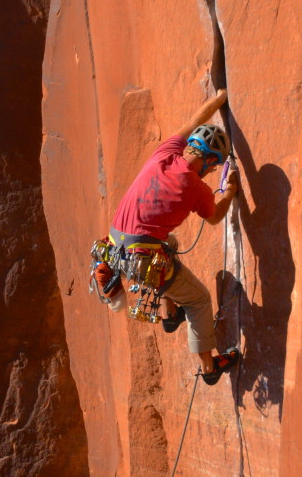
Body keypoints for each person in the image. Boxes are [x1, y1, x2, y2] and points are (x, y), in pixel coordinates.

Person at [103, 88, 240, 384]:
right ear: (209, 162)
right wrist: (229, 191)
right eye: (213, 166)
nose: (211, 171)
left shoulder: (163, 155)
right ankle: (209, 367)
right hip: (142, 259)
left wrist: (218, 98)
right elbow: (215, 217)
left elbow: (193, 120)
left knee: (171, 243)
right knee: (200, 299)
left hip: (115, 246)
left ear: (190, 147)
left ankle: (170, 314)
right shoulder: (196, 188)